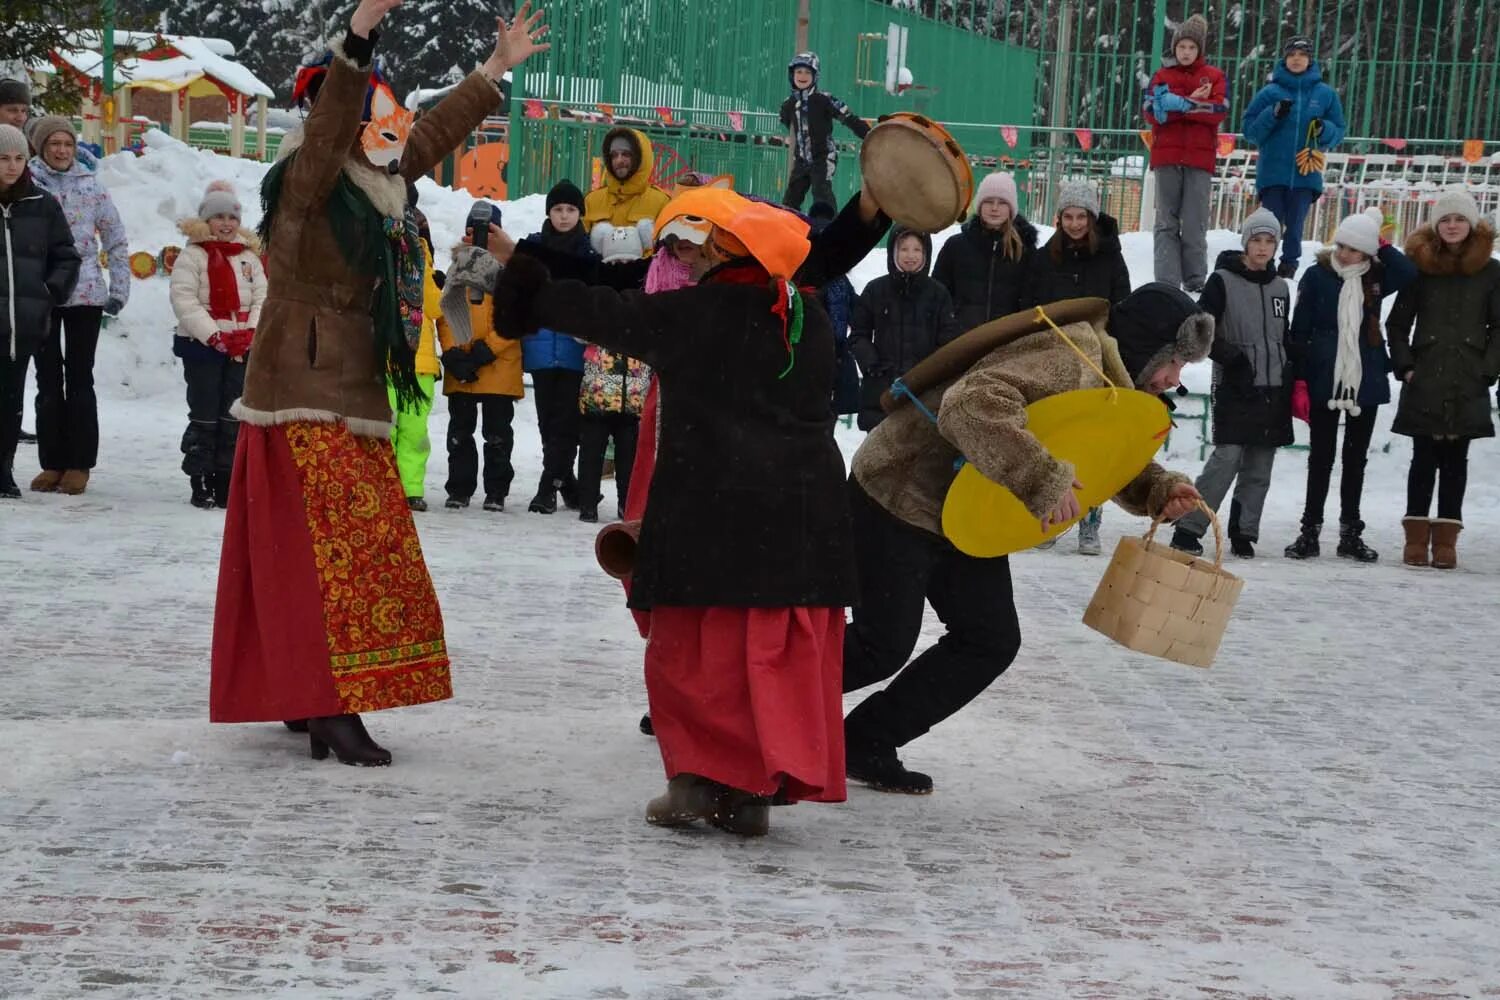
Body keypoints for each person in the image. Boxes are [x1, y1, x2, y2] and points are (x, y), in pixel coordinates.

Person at [491, 184, 891, 837]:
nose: (696, 256)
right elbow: (816, 266)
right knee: (769, 661)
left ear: (728, 252)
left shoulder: (697, 312)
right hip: (798, 524)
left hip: (713, 517)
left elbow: (608, 314)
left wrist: (527, 291)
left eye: (709, 246)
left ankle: (698, 786)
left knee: (696, 661)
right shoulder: (804, 315)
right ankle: (754, 790)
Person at [210, 0, 550, 765]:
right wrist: (358, 36)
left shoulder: (377, 178)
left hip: (350, 388)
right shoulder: (309, 178)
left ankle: (304, 693)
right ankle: (327, 703)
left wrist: (493, 71)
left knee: (337, 552)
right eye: (381, 117)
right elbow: (333, 120)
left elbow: (429, 135)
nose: (395, 131)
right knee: (335, 555)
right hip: (300, 388)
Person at [841, 285, 1209, 792]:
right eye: (1173, 362)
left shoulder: (1107, 373)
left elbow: (1093, 449)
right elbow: (969, 406)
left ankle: (863, 740)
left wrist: (1156, 489)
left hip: (964, 510)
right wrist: (1039, 476)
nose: (1173, 378)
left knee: (988, 640)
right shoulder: (1070, 356)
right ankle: (744, 706)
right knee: (880, 646)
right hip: (898, 491)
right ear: (1148, 348)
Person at [1283, 207, 1416, 562]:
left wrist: (1380, 242)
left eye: (1355, 248)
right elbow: (1299, 329)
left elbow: (1408, 273)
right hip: (1324, 374)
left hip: (1365, 376)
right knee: (1321, 458)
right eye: (1342, 244)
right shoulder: (1317, 275)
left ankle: (1350, 534)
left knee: (1355, 459)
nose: (1345, 254)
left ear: (1368, 252)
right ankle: (1309, 532)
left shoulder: (1376, 276)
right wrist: (1299, 377)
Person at [1386, 187, 1500, 570]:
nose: (1452, 226)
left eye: (1459, 219)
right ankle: (1415, 536)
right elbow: (1398, 323)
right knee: (1423, 457)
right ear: (1437, 226)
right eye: (1446, 220)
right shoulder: (1421, 268)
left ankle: (1447, 541)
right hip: (1426, 376)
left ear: (1471, 224)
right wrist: (1405, 366)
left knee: (1456, 460)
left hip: (1468, 377)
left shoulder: (1491, 271)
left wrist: (1488, 369)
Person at [1171, 208, 1290, 559]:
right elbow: (1200, 327)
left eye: (1270, 241)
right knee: (1227, 458)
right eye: (1257, 240)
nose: (1263, 248)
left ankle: (1244, 531)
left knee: (1260, 463)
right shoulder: (1222, 281)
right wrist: (1231, 358)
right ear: (1245, 242)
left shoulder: (1281, 287)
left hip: (1273, 386)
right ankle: (1190, 527)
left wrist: (1289, 368)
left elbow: (1283, 335)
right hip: (1235, 384)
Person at [1023, 178, 1133, 554]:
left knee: (1089, 443)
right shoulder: (1043, 259)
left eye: (1081, 216)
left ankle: (1089, 521)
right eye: (1068, 216)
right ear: (1059, 218)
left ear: (1092, 217)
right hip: (1052, 359)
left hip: (1095, 361)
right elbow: (1029, 307)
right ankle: (1051, 515)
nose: (1074, 224)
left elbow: (1122, 305)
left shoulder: (1109, 258)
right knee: (1054, 438)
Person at [27, 114, 129, 496]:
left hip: (85, 294)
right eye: (54, 144)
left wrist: (119, 288)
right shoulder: (28, 185)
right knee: (47, 378)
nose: (61, 151)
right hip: (42, 294)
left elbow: (116, 240)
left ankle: (80, 463)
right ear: (40, 147)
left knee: (80, 377)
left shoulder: (93, 187)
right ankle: (52, 461)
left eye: (67, 144)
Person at [168, 180, 267, 509]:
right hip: (203, 346)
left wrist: (250, 333)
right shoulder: (193, 256)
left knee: (232, 414)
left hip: (241, 347)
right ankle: (200, 477)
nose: (226, 223)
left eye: (232, 217)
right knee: (205, 413)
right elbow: (185, 300)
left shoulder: (248, 257)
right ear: (206, 220)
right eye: (219, 216)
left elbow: (262, 297)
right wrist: (214, 336)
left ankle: (225, 478)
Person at [0, 123, 79, 499]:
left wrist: (49, 292)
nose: (11, 166)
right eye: (2, 158)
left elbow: (67, 255)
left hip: (22, 324)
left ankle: (3, 470)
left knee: (10, 400)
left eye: (18, 158)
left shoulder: (42, 204)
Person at [438, 213, 523, 513]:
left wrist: (488, 349)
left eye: (486, 230)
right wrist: (453, 353)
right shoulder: (457, 266)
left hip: (499, 367)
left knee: (497, 435)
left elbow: (516, 316)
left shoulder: (509, 272)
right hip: (463, 368)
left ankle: (496, 491)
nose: (480, 236)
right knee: (459, 434)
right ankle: (459, 489)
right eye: (473, 229)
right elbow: (445, 312)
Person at [1243, 37, 1347, 278]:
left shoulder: (1325, 94)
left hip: (1305, 173)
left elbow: (1339, 130)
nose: (1297, 59)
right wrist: (1273, 114)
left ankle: (1289, 265)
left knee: (1296, 225)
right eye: (1292, 54)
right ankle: (1264, 263)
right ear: (1284, 59)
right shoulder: (1269, 93)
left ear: (1310, 59)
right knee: (1270, 223)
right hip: (1272, 173)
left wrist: (1324, 129)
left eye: (1302, 54)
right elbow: (1251, 131)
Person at [522, 180, 593, 514]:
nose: (564, 216)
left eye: (570, 210)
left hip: (575, 351)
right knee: (547, 424)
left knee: (566, 423)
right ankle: (569, 486)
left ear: (580, 214)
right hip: (539, 346)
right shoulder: (534, 248)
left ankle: (546, 489)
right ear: (549, 212)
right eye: (558, 209)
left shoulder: (589, 251)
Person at [1143, 13, 1228, 293]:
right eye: (1182, 47)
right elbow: (1151, 113)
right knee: (1166, 222)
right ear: (1174, 47)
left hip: (1199, 160)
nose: (1186, 52)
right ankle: (1167, 282)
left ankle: (1195, 280)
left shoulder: (1214, 76)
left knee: (1194, 222)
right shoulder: (1161, 75)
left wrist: (1180, 105)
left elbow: (1218, 111)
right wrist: (1193, 104)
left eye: (1192, 47)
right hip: (1166, 158)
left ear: (1200, 49)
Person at [849, 225, 959, 430]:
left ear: (926, 253)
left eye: (917, 249)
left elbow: (948, 340)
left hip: (923, 391)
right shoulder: (875, 290)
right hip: (882, 391)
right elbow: (858, 334)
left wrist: (930, 372)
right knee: (877, 457)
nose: (910, 255)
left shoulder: (938, 294)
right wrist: (872, 364)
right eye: (904, 249)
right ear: (893, 252)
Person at [389, 181, 442, 511]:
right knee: (387, 428)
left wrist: (429, 277)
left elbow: (435, 307)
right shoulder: (377, 255)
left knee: (413, 430)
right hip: (386, 358)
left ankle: (410, 487)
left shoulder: (423, 254)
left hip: (419, 362)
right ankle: (387, 486)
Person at [931, 171, 1038, 332]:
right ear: (979, 205)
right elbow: (938, 294)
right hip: (962, 341)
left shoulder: (1025, 251)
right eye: (988, 201)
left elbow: (1031, 301)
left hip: (1007, 343)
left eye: (1002, 202)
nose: (994, 208)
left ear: (1011, 208)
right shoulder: (956, 246)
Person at [780, 51, 869, 211]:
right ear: (792, 74)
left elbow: (848, 117)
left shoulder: (824, 99)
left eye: (808, 72)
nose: (802, 76)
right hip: (801, 159)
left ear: (815, 76)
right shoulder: (789, 104)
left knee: (821, 192)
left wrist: (868, 134)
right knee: (791, 197)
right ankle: (789, 225)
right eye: (798, 71)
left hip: (823, 156)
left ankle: (827, 226)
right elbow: (786, 122)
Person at [582, 127, 670, 234]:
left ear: (640, 158)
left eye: (626, 154)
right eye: (614, 155)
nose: (619, 160)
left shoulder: (661, 202)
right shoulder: (592, 201)